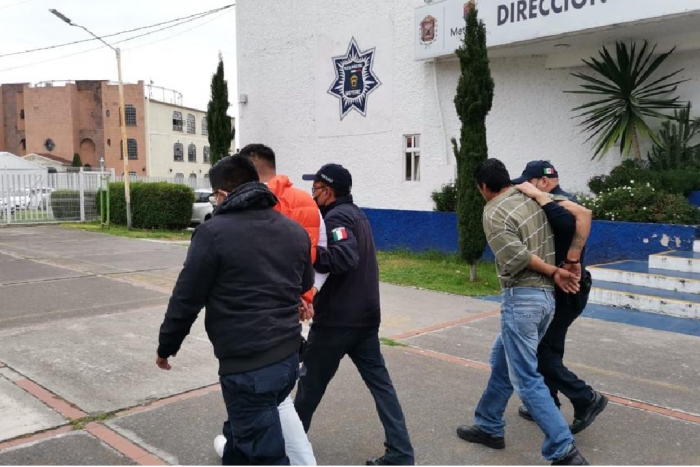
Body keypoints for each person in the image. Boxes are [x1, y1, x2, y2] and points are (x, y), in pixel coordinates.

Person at [156, 155, 314, 465]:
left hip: (249, 366)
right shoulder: (293, 230)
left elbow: (186, 299)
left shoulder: (213, 234)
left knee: (262, 454)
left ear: (223, 195)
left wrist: (166, 347)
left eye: (214, 195)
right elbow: (303, 282)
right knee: (249, 431)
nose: (214, 201)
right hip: (287, 360)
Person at [456, 159, 588, 466]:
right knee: (503, 362)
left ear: (483, 188)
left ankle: (563, 449)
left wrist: (557, 270)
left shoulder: (493, 210)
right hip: (545, 302)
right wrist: (571, 261)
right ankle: (489, 424)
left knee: (526, 378)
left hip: (523, 299)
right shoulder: (529, 196)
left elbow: (516, 256)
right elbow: (582, 215)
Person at [213, 143, 328, 466]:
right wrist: (306, 299)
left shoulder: (254, 205)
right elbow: (316, 257)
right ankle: (236, 446)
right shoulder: (307, 201)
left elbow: (251, 267)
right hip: (289, 321)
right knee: (274, 400)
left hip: (255, 328)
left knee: (262, 400)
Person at [294, 164, 415, 466]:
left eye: (316, 187)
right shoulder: (357, 214)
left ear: (328, 190)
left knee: (309, 385)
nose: (312, 193)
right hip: (365, 318)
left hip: (338, 321)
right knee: (381, 387)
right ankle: (401, 454)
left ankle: (289, 446)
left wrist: (307, 253)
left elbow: (345, 256)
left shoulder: (337, 217)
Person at [512, 161, 608, 434]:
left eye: (528, 183)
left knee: (540, 353)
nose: (526, 188)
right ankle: (547, 403)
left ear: (542, 182)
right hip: (567, 288)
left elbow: (585, 215)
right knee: (550, 348)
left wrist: (571, 260)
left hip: (566, 288)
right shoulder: (559, 200)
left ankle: (586, 398)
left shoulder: (559, 201)